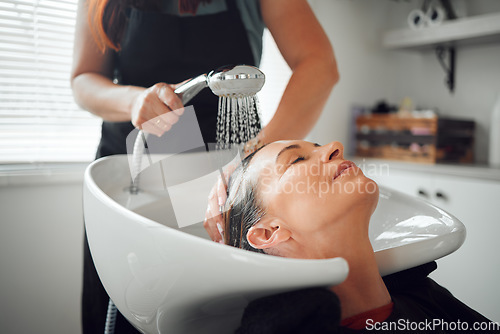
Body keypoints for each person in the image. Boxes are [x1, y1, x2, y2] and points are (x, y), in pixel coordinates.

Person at [71, 0, 338, 332]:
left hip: (234, 167)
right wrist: (134, 101)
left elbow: (320, 66)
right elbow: (83, 80)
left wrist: (254, 156)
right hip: (134, 164)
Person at [221, 140, 498, 333]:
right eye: (297, 159)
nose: (334, 147)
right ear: (269, 232)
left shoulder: (425, 296)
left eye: (318, 146)